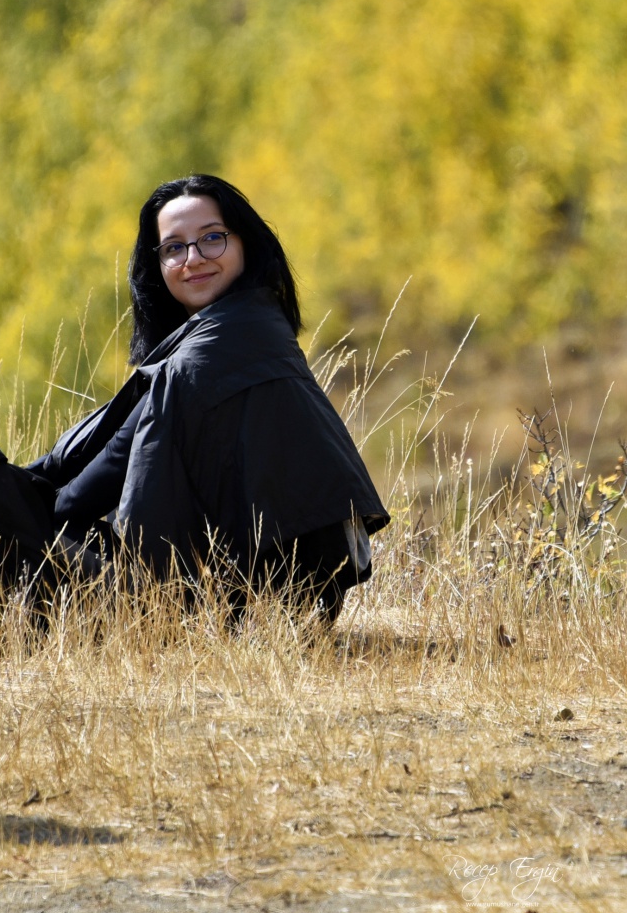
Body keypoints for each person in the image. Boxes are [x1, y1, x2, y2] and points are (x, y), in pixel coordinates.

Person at [28, 174, 389, 620]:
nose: (193, 259)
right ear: (155, 266)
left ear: (245, 245)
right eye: (173, 248)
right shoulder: (256, 323)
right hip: (292, 600)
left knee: (13, 533)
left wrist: (30, 509)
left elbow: (105, 473)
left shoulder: (214, 349)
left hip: (248, 606)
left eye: (211, 238)